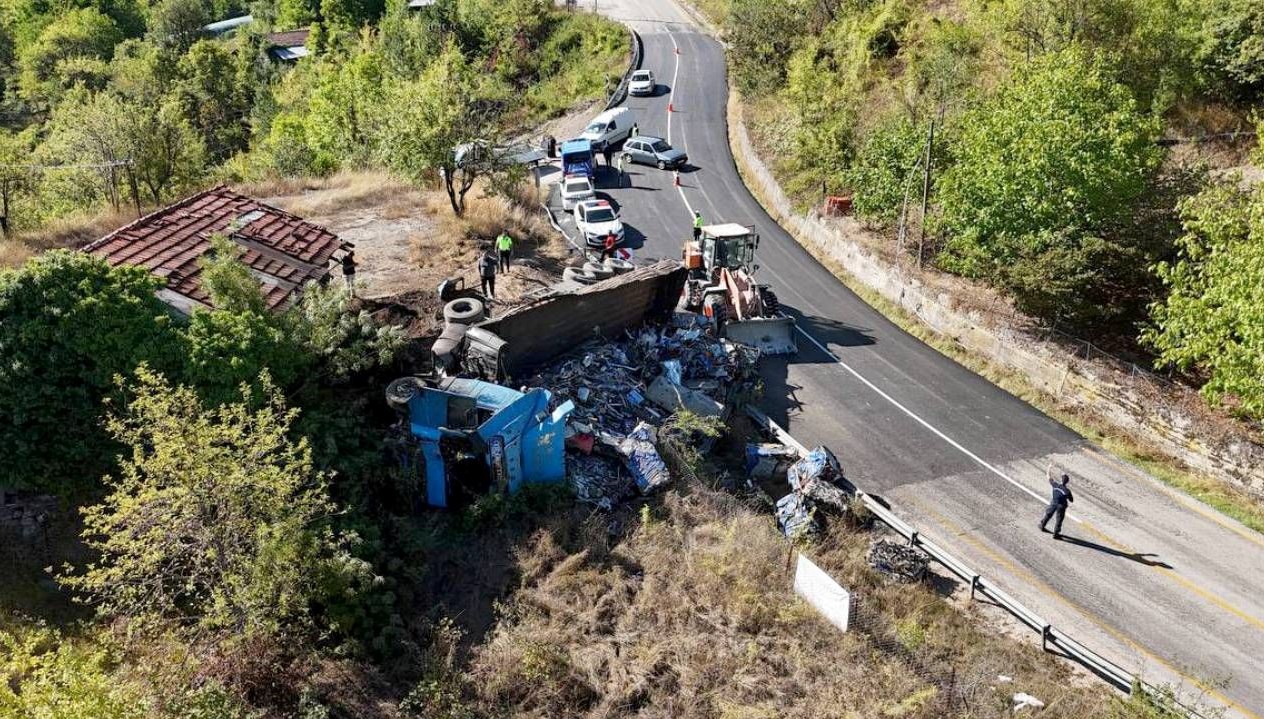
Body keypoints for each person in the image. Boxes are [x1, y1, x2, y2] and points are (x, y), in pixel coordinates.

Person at [1039, 463, 1074, 539]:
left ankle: (1042, 525)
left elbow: (1048, 476)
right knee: (1059, 519)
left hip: (1054, 503)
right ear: (1067, 482)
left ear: (1061, 480)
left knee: (1048, 514)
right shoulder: (1067, 491)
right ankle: (1056, 533)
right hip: (1061, 506)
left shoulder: (1055, 485)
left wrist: (1049, 468)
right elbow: (1071, 500)